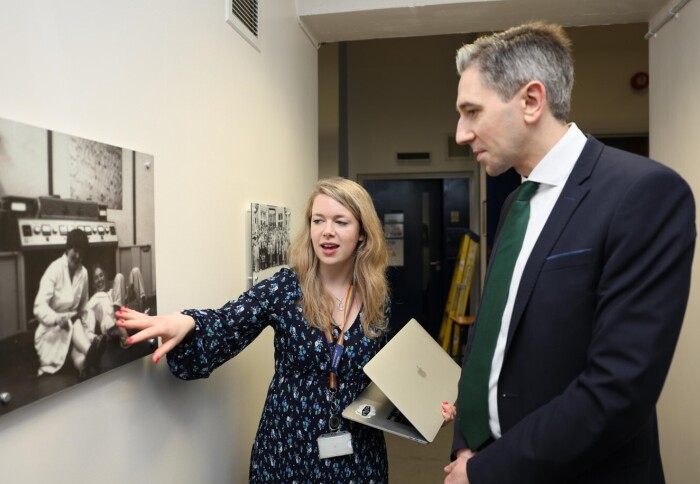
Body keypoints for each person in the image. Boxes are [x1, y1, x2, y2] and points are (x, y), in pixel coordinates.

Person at [444, 22, 696, 484]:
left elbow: (618, 390)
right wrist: (467, 437)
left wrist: (484, 470)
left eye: (472, 112)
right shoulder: (514, 203)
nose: (461, 133)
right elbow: (495, 335)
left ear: (531, 101)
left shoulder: (644, 193)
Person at [116, 177, 394, 482]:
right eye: (318, 221)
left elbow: (381, 376)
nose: (327, 231)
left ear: (363, 235)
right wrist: (189, 322)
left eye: (341, 222)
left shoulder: (376, 297)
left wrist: (424, 408)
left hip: (358, 454)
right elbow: (227, 323)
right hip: (288, 450)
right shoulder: (285, 288)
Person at [34, 228, 107, 379]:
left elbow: (84, 307)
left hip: (74, 328)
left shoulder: (84, 273)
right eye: (75, 250)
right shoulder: (54, 269)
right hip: (51, 331)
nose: (78, 256)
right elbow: (39, 306)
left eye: (82, 252)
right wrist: (56, 318)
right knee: (74, 322)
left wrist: (89, 332)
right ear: (68, 248)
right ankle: (90, 352)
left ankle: (84, 366)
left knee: (78, 352)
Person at [82, 263, 147, 349]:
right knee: (119, 276)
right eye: (96, 278)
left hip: (126, 321)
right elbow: (87, 328)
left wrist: (132, 294)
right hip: (114, 329)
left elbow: (125, 303)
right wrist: (94, 338)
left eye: (101, 275)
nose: (99, 279)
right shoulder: (92, 301)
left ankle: (142, 311)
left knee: (135, 271)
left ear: (105, 276)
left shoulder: (113, 291)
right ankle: (124, 335)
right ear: (93, 284)